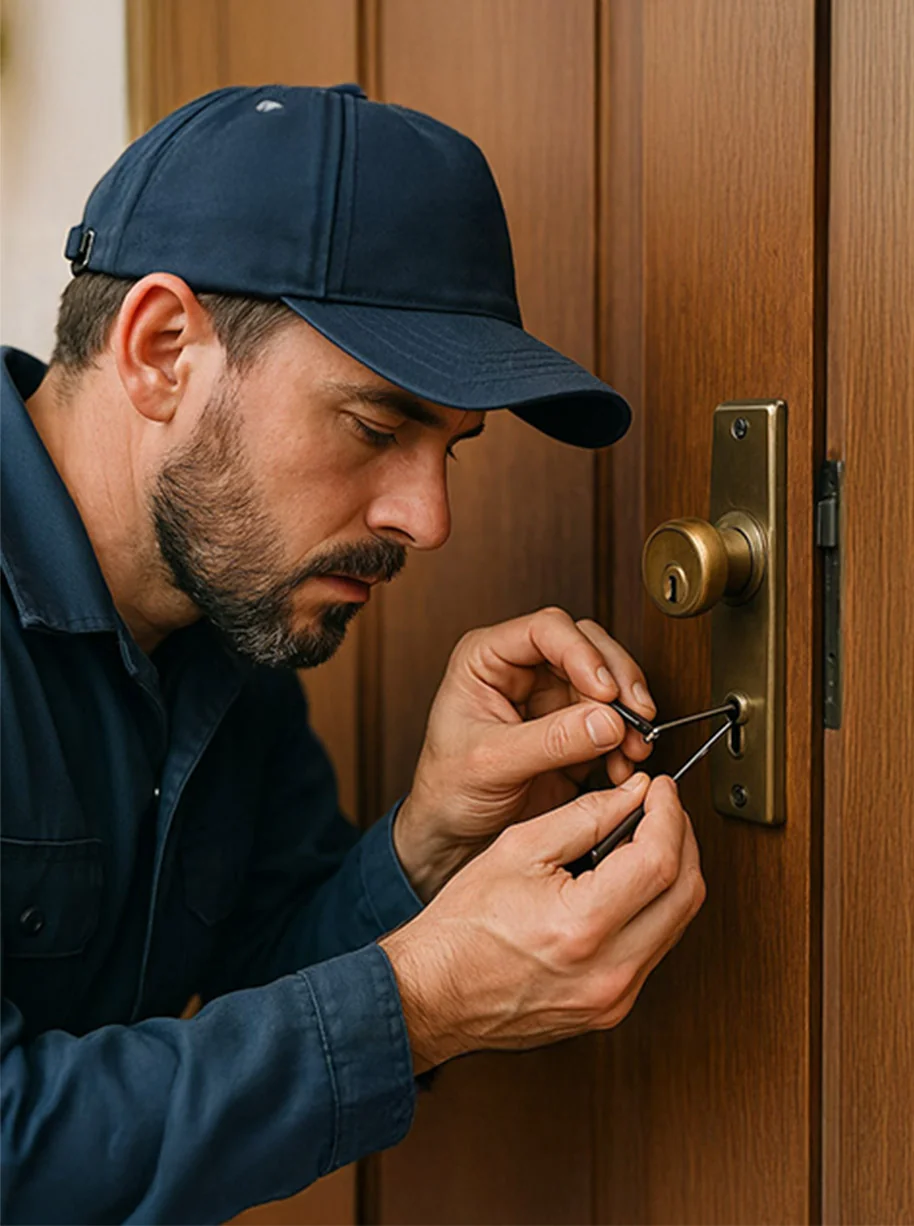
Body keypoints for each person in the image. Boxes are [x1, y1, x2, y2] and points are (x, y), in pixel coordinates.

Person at [0, 84, 705, 1224]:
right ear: (162, 349)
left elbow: (263, 986)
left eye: (450, 450)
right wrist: (424, 1001)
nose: (427, 519)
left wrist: (428, 841)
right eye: (376, 427)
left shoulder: (228, 609)